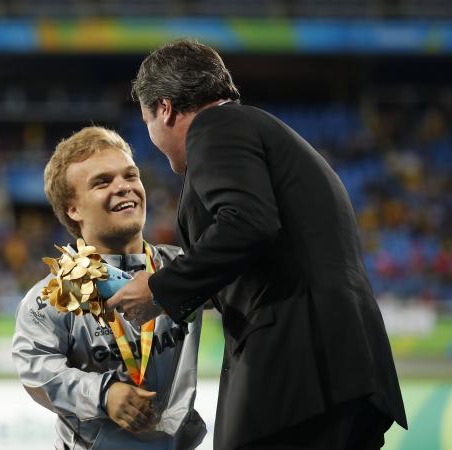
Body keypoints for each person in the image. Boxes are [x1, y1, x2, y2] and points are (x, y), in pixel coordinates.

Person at [105, 39, 408, 450]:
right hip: (342, 373)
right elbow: (260, 249)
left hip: (299, 374)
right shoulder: (265, 134)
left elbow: (248, 222)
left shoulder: (216, 128)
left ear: (164, 108)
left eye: (147, 122)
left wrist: (160, 290)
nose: (153, 140)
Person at [12, 126, 206, 450]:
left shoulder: (184, 268)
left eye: (131, 176)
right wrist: (104, 393)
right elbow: (36, 369)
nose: (124, 187)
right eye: (103, 182)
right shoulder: (58, 293)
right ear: (73, 209)